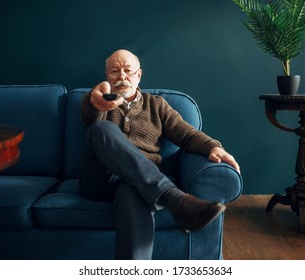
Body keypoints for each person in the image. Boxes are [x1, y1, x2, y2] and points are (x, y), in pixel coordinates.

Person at [79, 49, 240, 260]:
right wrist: (93, 100)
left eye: (128, 71)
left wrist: (213, 147)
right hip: (100, 179)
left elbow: (187, 135)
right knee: (101, 129)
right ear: (107, 76)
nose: (122, 77)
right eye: (115, 71)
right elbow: (90, 114)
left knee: (134, 193)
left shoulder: (157, 105)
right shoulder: (100, 101)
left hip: (140, 182)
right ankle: (174, 199)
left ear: (139, 75)